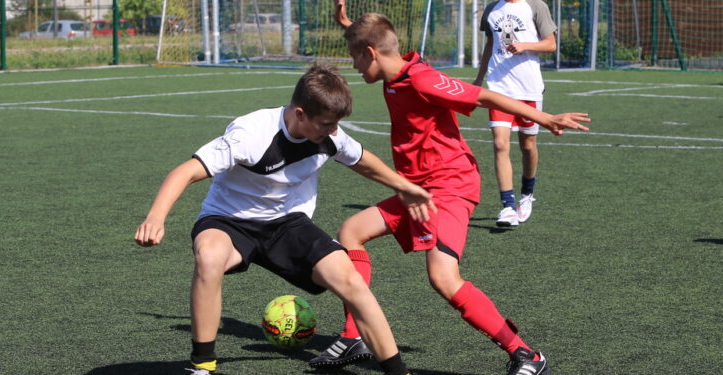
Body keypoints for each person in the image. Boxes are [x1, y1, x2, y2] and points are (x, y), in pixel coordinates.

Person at [308, 3, 590, 375]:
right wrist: (348, 25)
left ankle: (525, 354)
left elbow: (485, 96)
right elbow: (373, 39)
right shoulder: (393, 72)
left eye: (356, 58)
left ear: (371, 53)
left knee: (443, 278)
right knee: (351, 232)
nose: (355, 67)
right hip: (419, 188)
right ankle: (353, 336)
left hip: (450, 185)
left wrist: (546, 118)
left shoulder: (422, 79)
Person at [134, 64, 437, 375]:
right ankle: (202, 366)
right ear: (301, 113)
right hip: (229, 220)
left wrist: (405, 187)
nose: (333, 131)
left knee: (350, 279)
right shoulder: (250, 134)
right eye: (327, 124)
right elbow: (185, 172)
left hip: (287, 224)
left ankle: (398, 372)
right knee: (209, 259)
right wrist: (156, 218)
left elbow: (361, 160)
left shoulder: (330, 134)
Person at [472, 0, 558, 227]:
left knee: (527, 145)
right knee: (500, 144)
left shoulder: (536, 6)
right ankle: (508, 207)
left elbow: (550, 44)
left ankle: (527, 195)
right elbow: (490, 46)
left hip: (528, 88)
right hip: (499, 87)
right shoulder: (491, 9)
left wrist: (525, 45)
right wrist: (480, 79)